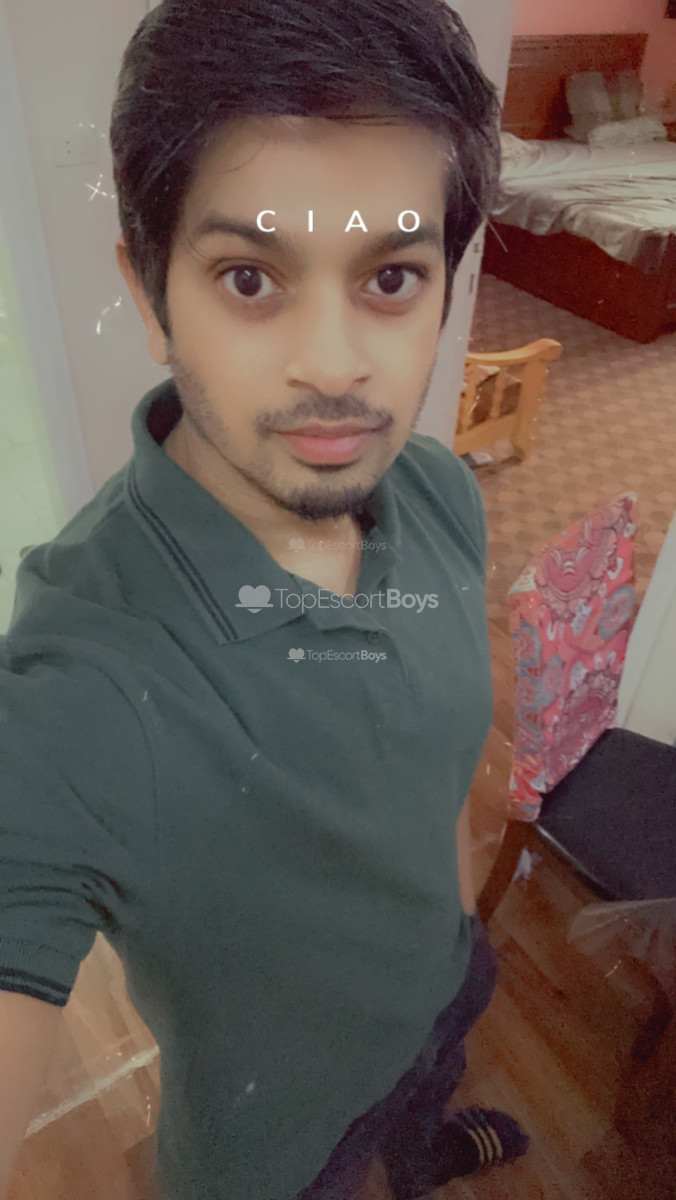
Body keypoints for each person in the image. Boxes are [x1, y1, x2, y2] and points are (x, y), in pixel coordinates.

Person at [0, 1, 530, 1197]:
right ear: (150, 294)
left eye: (390, 277)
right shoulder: (82, 691)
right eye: (250, 277)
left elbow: (433, 775)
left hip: (445, 989)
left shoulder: (440, 493)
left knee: (427, 1099)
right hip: (281, 1150)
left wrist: (451, 939)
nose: (333, 365)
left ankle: (426, 1148)